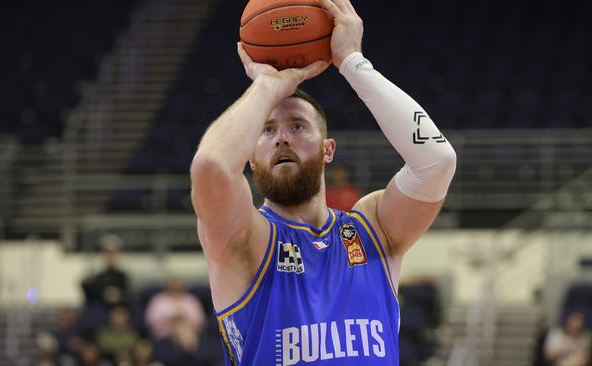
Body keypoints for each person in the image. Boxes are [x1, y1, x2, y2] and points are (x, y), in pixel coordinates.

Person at [190, 0, 456, 364]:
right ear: (250, 158)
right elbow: (210, 167)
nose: (282, 137)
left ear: (328, 149)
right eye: (267, 130)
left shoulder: (374, 228)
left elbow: (437, 161)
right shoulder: (244, 238)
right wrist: (268, 85)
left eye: (297, 125)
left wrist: (353, 62)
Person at [144, 277, 206, 352]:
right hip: (165, 333)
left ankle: (187, 351)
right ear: (168, 286)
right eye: (173, 286)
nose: (176, 288)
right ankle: (187, 351)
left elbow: (200, 320)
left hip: (189, 331)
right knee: (179, 328)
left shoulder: (191, 300)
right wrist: (170, 319)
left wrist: (183, 319)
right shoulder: (158, 300)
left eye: (178, 286)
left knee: (182, 328)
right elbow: (150, 320)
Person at [81, 234, 129, 308]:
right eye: (107, 253)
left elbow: (127, 294)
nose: (110, 256)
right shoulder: (96, 276)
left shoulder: (122, 276)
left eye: (113, 253)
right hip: (99, 309)